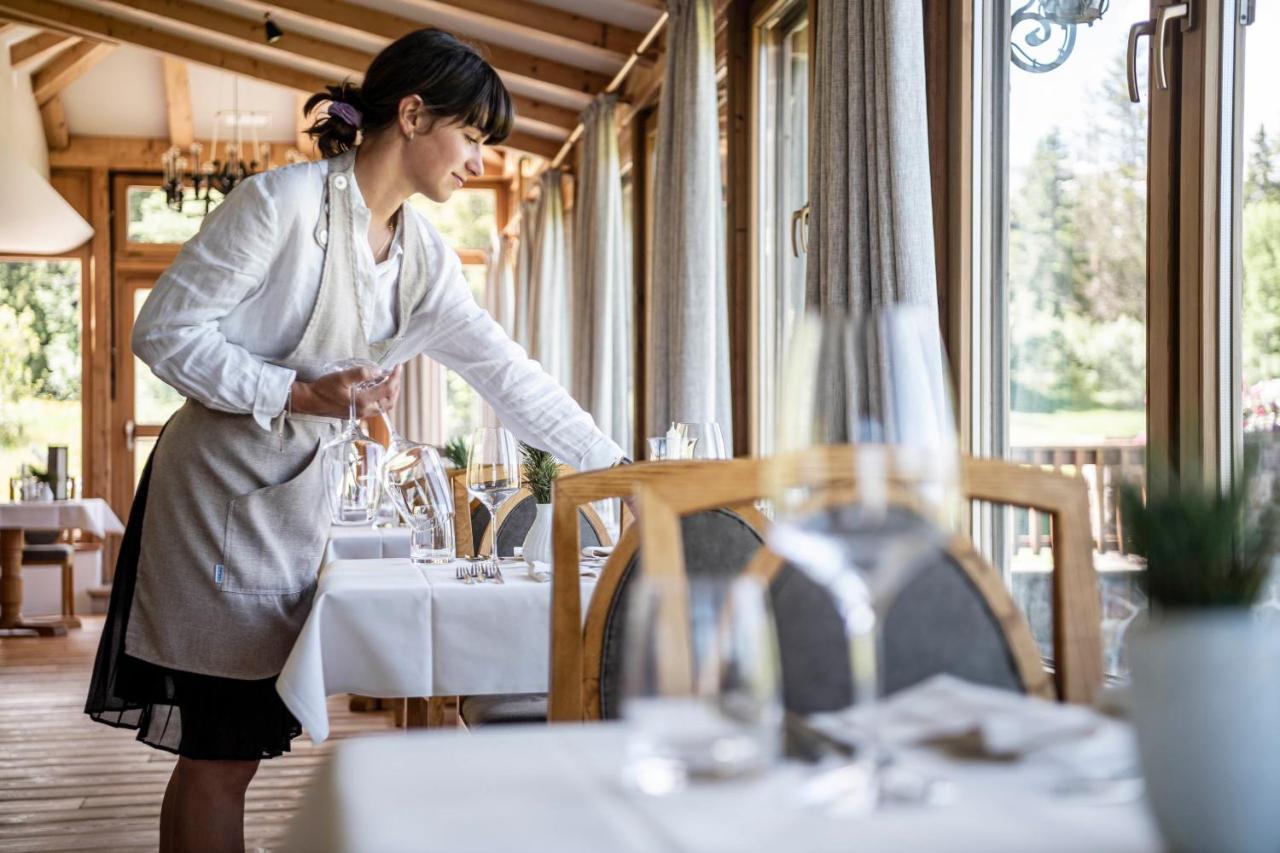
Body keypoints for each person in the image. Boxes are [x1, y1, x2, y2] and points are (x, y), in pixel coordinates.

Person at [84, 28, 626, 852]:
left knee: (229, 753)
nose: (478, 160)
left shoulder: (423, 259)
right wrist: (297, 392)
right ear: (412, 115)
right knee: (219, 755)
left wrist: (617, 468)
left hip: (293, 505)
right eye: (471, 136)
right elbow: (162, 332)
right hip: (214, 503)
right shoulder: (280, 206)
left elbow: (507, 373)